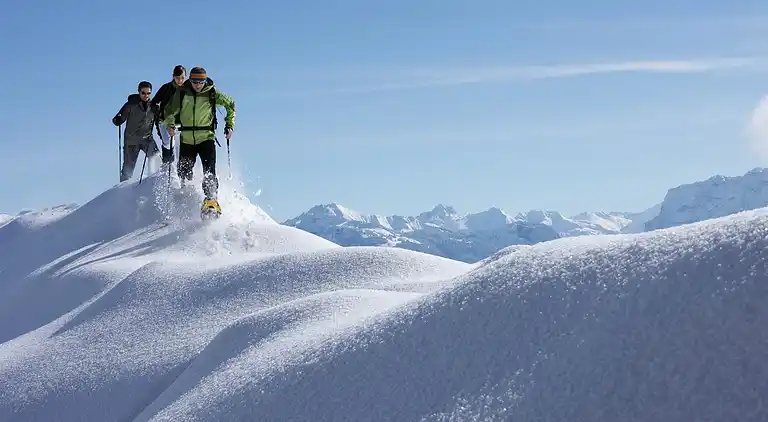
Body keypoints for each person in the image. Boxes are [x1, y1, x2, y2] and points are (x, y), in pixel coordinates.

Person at [163, 66, 235, 216]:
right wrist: (170, 124)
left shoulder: (212, 93)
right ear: (190, 79)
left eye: (200, 81)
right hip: (187, 139)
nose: (197, 84)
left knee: (209, 171)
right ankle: (186, 202)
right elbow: (169, 111)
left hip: (206, 138)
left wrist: (229, 125)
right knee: (184, 172)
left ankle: (211, 201)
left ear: (205, 80)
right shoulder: (182, 92)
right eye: (195, 81)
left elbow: (231, 104)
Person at [112, 81, 160, 182]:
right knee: (128, 169)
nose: (146, 95)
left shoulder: (153, 106)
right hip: (132, 140)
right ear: (139, 92)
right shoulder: (131, 105)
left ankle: (153, 180)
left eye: (148, 93)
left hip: (147, 139)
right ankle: (122, 190)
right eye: (143, 93)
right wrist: (118, 120)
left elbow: (158, 122)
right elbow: (118, 119)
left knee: (156, 158)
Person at [150, 65, 186, 166]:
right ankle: (167, 165)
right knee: (167, 142)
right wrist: (157, 110)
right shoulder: (166, 88)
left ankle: (181, 172)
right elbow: (153, 103)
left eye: (182, 78)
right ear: (173, 76)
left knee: (181, 147)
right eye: (178, 78)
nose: (180, 80)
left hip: (180, 124)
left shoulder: (187, 90)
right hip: (164, 121)